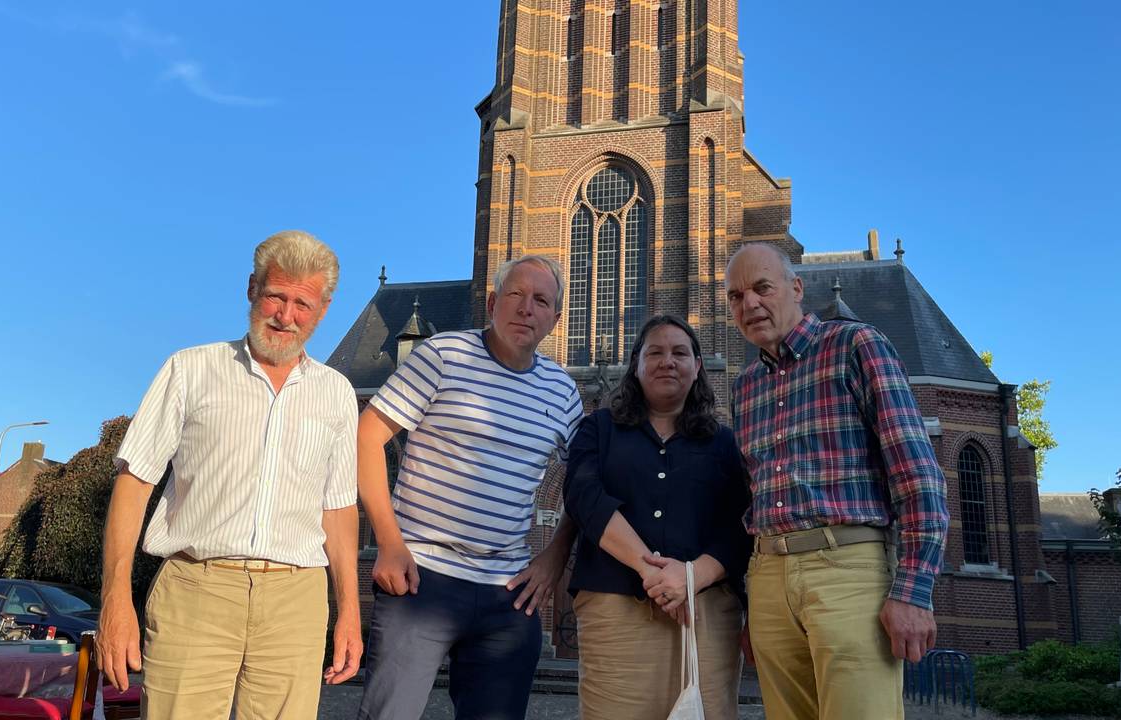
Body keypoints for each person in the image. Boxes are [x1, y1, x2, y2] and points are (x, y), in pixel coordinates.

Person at [97, 230, 363, 719]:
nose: (286, 316)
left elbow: (339, 508)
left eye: (302, 304)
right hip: (197, 588)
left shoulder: (338, 394)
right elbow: (134, 486)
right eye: (275, 297)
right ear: (251, 290)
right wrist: (115, 599)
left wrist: (349, 611)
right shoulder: (189, 370)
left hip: (296, 598)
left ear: (323, 310)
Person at [725, 242, 950, 720]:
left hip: (848, 568)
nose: (749, 304)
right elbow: (753, 499)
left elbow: (917, 473)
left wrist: (912, 591)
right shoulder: (744, 387)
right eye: (735, 295)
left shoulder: (855, 345)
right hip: (768, 576)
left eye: (762, 288)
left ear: (797, 288)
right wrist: (753, 603)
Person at [355, 254, 584, 720]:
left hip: (508, 591)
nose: (527, 308)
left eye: (541, 301)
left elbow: (585, 483)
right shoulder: (442, 354)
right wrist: (390, 541)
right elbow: (367, 435)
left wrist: (554, 556)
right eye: (516, 295)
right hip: (421, 577)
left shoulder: (562, 391)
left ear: (556, 320)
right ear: (494, 301)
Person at [563, 315, 752, 720]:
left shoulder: (724, 442)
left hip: (705, 615)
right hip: (616, 609)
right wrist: (652, 572)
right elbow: (585, 497)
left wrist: (691, 577)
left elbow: (740, 523)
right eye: (656, 352)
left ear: (698, 366)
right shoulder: (598, 429)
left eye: (680, 353)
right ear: (636, 364)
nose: (668, 361)